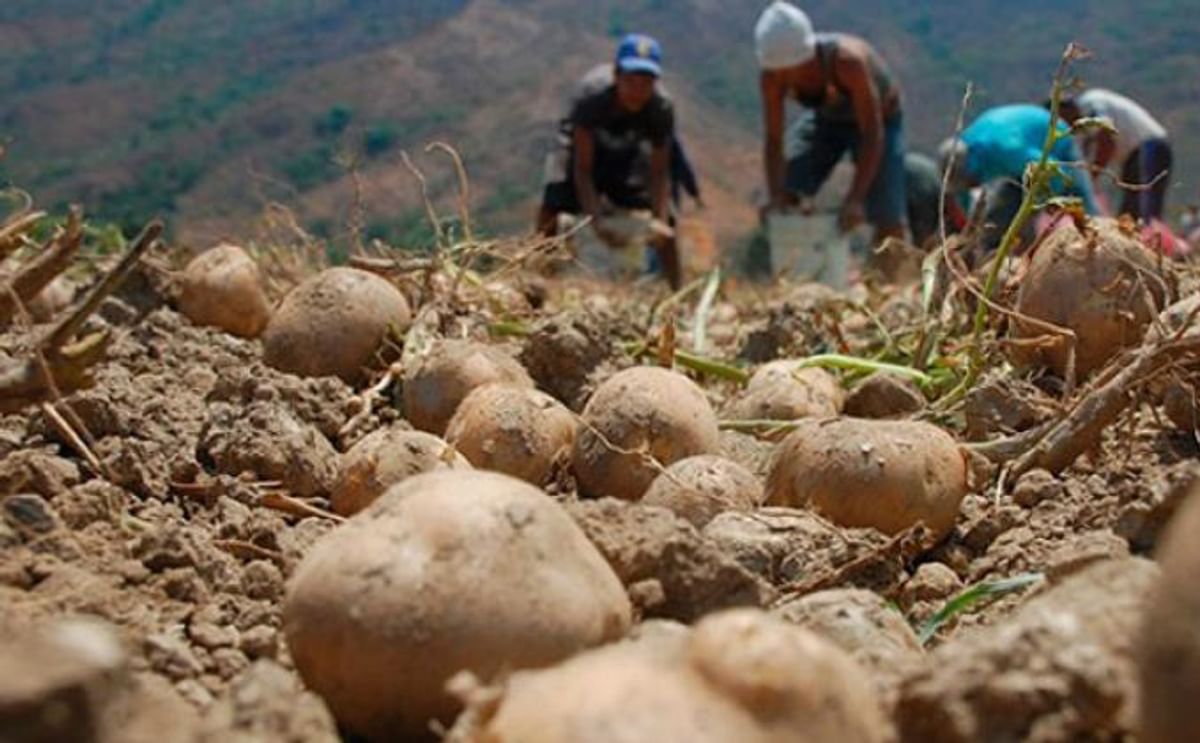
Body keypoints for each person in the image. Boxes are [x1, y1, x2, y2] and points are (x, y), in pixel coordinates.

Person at [536, 34, 680, 287]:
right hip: (579, 148)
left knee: (668, 226)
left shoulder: (661, 109)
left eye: (646, 82)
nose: (637, 91)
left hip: (626, 150)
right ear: (616, 76)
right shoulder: (592, 99)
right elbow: (583, 169)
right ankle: (540, 278)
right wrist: (596, 219)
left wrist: (659, 218)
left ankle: (677, 291)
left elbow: (659, 172)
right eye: (631, 81)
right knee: (552, 204)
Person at [755, 1, 906, 243]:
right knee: (788, 189)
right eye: (777, 70)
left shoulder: (848, 63)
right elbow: (774, 140)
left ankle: (891, 274)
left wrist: (855, 199)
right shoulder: (772, 80)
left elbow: (871, 132)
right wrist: (776, 196)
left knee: (887, 214)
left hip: (879, 122)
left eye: (791, 69)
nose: (784, 76)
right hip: (827, 120)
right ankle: (797, 267)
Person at [941, 104, 1101, 251]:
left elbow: (1051, 170)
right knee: (1000, 220)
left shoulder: (1006, 149)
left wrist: (1048, 202)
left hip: (1058, 149)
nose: (970, 185)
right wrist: (968, 232)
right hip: (1022, 168)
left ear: (970, 169)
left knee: (1083, 207)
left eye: (968, 181)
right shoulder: (965, 154)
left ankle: (1102, 242)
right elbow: (963, 197)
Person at [1059, 89, 1171, 221]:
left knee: (1144, 209)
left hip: (1148, 147)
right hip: (1132, 156)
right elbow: (1085, 156)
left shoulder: (1091, 103)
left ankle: (1149, 236)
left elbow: (1106, 143)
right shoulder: (1079, 130)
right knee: (1132, 209)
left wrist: (1090, 180)